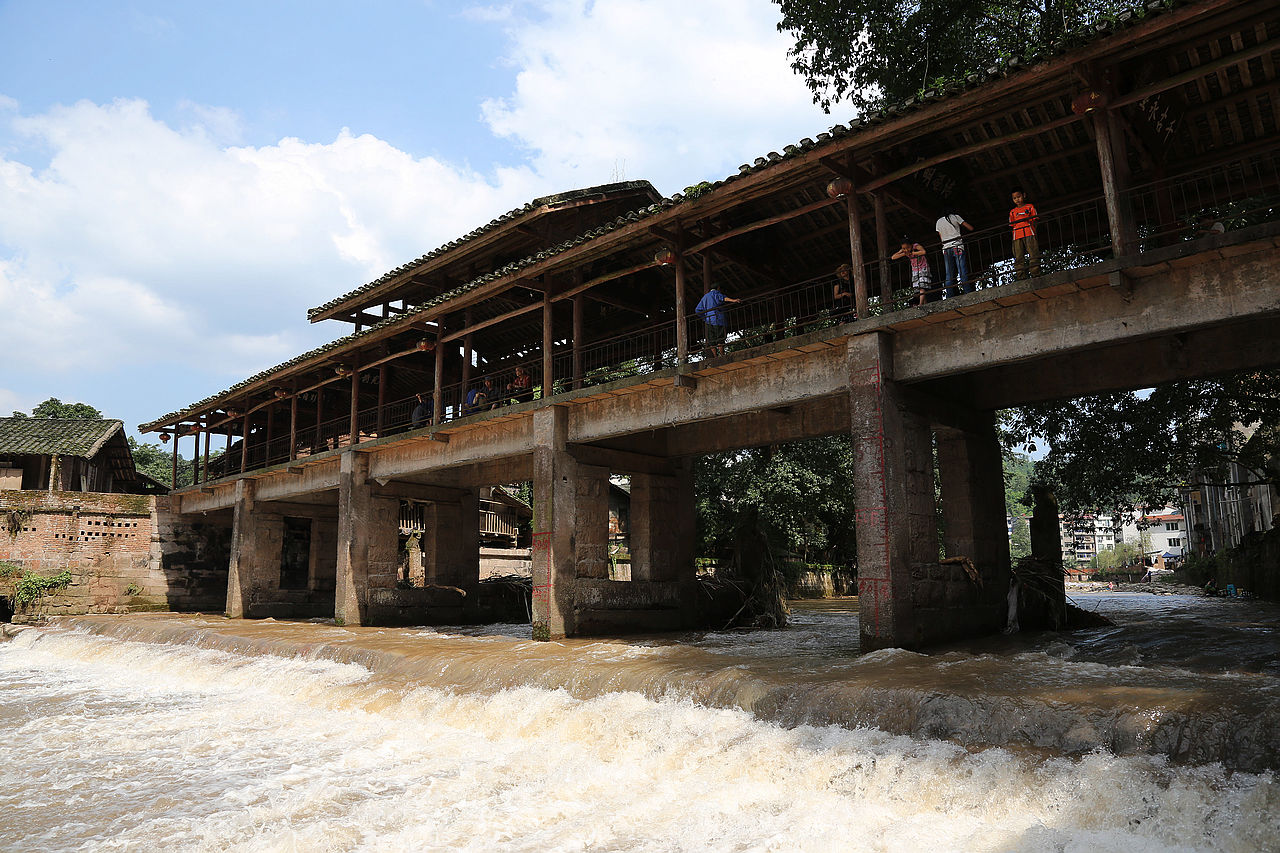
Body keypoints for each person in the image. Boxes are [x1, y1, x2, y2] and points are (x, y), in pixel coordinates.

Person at [935, 210, 975, 297]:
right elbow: (970, 228)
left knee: (949, 274)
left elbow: (941, 238)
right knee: (962, 271)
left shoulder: (938, 222)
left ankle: (949, 295)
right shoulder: (955, 217)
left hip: (946, 249)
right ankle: (967, 292)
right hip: (957, 246)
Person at [695, 286, 740, 357]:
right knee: (720, 338)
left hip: (709, 321)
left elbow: (697, 310)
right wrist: (734, 300)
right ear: (718, 288)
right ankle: (722, 355)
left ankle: (715, 356)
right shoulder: (716, 293)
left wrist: (705, 317)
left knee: (711, 340)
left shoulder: (705, 297)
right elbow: (723, 298)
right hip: (719, 319)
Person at [1008, 187, 1041, 280]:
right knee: (1018, 256)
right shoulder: (1012, 212)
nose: (1017, 199)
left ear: (1024, 195)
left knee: (1033, 253)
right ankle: (1021, 276)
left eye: (1018, 197)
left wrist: (1033, 230)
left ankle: (1035, 274)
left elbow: (1035, 220)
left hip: (1029, 232)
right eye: (1014, 198)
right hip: (1017, 235)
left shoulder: (1030, 207)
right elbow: (1012, 225)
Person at [891, 239, 933, 305]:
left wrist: (913, 253)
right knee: (919, 288)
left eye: (908, 247)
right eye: (904, 248)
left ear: (911, 245)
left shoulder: (916, 246)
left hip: (923, 268)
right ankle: (925, 303)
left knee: (922, 286)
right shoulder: (904, 251)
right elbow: (893, 257)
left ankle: (921, 304)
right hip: (915, 270)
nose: (906, 249)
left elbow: (923, 252)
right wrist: (903, 253)